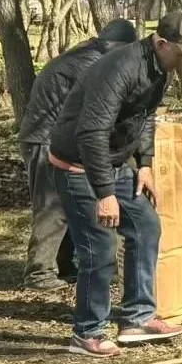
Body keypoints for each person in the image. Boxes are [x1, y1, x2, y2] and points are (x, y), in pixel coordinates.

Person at [47, 12, 182, 359]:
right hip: (79, 166)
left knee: (146, 226)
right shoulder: (119, 68)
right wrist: (105, 194)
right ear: (162, 43)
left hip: (114, 163)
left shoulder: (159, 69)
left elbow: (144, 116)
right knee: (99, 248)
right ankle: (87, 333)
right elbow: (90, 133)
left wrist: (145, 165)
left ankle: (138, 317)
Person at [18, 18, 140, 290]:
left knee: (71, 202)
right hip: (45, 140)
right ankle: (38, 274)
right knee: (54, 206)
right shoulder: (92, 63)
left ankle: (67, 266)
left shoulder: (89, 54)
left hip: (55, 137)